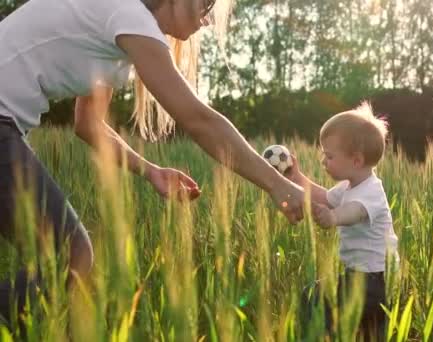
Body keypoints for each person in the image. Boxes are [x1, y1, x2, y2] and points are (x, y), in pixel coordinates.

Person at [0, 0, 304, 325]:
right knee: (71, 255)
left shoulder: (120, 31)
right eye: (206, 4)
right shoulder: (129, 15)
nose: (207, 18)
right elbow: (200, 121)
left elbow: (88, 123)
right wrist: (278, 184)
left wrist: (151, 171)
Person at [288, 102, 399, 341]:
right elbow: (323, 197)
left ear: (356, 160)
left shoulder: (371, 192)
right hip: (362, 277)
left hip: (374, 281)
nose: (323, 161)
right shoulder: (349, 186)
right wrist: (296, 178)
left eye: (329, 156)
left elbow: (355, 212)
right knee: (369, 332)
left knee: (314, 296)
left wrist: (333, 218)